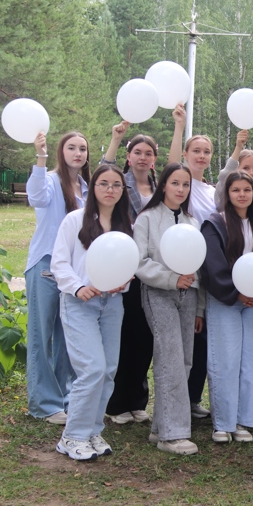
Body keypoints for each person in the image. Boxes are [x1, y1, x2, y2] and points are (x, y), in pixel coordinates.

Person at [50, 164, 132, 460]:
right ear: (93, 187)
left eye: (116, 185)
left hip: (112, 304)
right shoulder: (75, 220)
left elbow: (125, 264)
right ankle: (71, 437)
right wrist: (76, 287)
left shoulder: (126, 225)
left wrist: (122, 281)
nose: (110, 189)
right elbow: (59, 263)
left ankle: (92, 431)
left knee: (108, 371)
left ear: (123, 191)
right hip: (79, 303)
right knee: (92, 369)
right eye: (104, 184)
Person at [134, 163, 205, 455]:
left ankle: (159, 427)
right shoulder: (147, 219)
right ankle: (172, 435)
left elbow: (198, 265)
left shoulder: (192, 222)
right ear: (163, 184)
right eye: (175, 183)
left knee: (184, 359)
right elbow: (139, 262)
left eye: (185, 185)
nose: (180, 189)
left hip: (188, 298)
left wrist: (199, 308)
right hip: (158, 293)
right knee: (170, 358)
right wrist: (171, 279)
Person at [200, 171, 253, 443]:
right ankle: (223, 423)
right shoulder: (215, 224)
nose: (242, 194)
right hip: (226, 300)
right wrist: (236, 293)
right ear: (227, 194)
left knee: (252, 361)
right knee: (225, 360)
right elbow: (213, 264)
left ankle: (244, 420)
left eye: (247, 189)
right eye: (236, 190)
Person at [25, 131, 89, 424]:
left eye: (82, 148)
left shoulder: (86, 188)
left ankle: (65, 398)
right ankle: (44, 403)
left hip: (73, 270)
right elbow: (35, 197)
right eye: (72, 148)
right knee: (42, 335)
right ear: (62, 152)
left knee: (68, 336)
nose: (78, 153)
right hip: (46, 265)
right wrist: (41, 156)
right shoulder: (50, 180)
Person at [100, 122, 158, 426]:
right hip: (125, 266)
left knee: (146, 336)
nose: (143, 157)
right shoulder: (118, 183)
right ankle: (116, 402)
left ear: (154, 159)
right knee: (125, 335)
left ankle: (138, 400)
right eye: (137, 151)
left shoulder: (159, 186)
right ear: (128, 154)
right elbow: (101, 169)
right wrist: (115, 137)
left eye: (148, 153)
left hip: (153, 268)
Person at [168, 104, 215, 419]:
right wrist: (179, 127)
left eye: (207, 151)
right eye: (196, 150)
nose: (201, 155)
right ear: (186, 154)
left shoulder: (213, 191)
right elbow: (171, 166)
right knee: (185, 337)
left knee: (204, 336)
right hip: (183, 268)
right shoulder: (182, 185)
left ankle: (194, 398)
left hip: (211, 271)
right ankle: (178, 400)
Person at [214, 130, 253, 208]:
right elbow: (224, 177)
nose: (251, 173)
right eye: (246, 168)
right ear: (235, 169)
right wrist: (238, 147)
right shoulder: (225, 197)